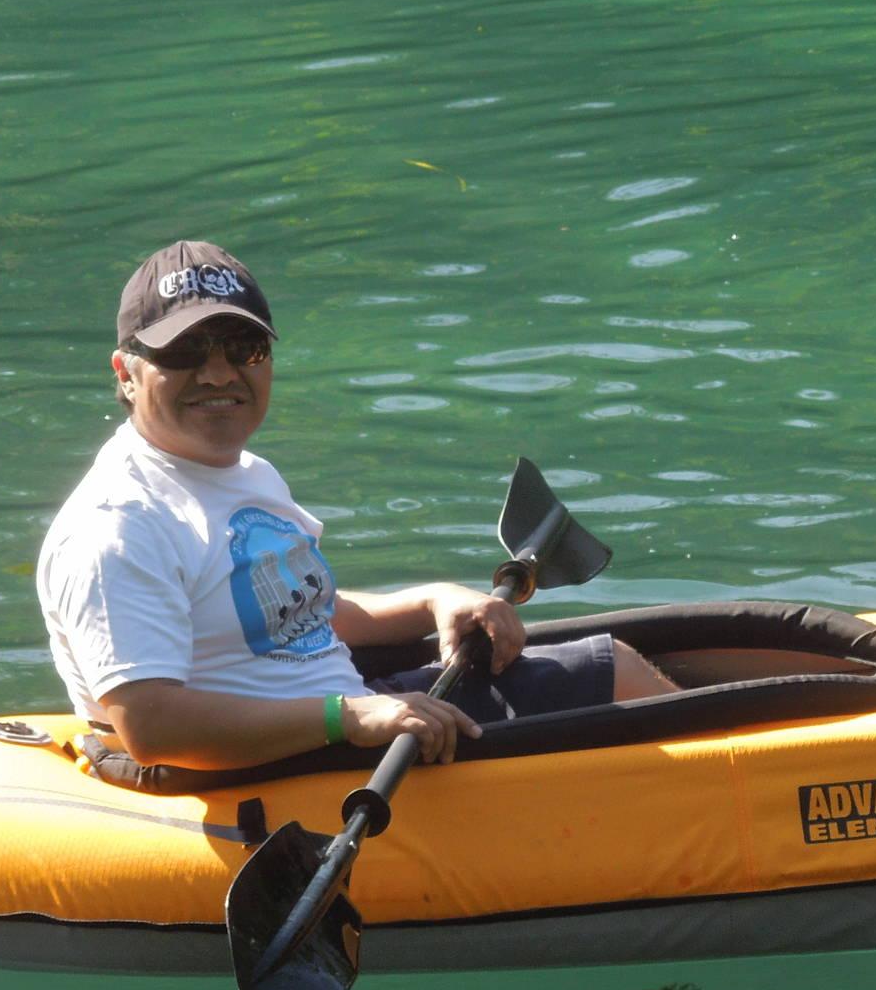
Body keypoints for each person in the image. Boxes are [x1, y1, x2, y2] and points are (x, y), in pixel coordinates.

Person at [38, 240, 675, 770]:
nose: (218, 374)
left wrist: (436, 599)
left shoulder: (244, 475)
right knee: (611, 675)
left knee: (629, 662)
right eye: (183, 354)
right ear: (125, 372)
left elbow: (311, 613)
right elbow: (152, 726)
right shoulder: (118, 528)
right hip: (295, 767)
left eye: (244, 349)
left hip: (351, 722)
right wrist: (350, 716)